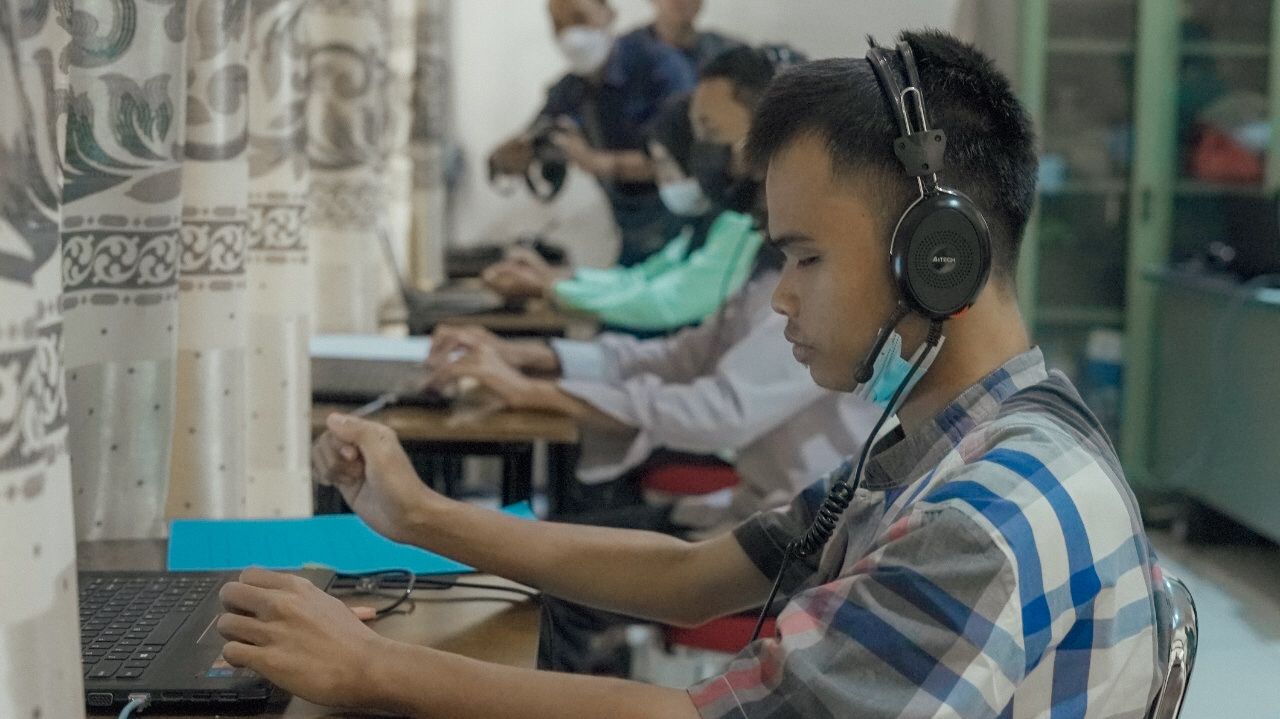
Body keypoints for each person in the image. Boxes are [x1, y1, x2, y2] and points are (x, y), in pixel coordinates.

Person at [219, 30, 1161, 717]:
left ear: (938, 257)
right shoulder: (962, 441)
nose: (781, 296)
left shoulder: (983, 516)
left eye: (806, 257)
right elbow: (693, 574)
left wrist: (372, 668)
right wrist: (419, 514)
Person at [482, 64, 770, 333]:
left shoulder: (740, 224)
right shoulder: (703, 223)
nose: (662, 180)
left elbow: (666, 301)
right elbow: (641, 278)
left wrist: (551, 287)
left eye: (712, 131)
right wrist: (557, 278)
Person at [489, 0, 714, 266]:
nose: (570, 34)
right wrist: (513, 156)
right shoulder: (571, 90)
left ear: (608, 14)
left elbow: (686, 157)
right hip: (630, 233)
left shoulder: (660, 67)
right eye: (559, 25)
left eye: (579, 19)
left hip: (687, 228)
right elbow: (529, 140)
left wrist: (596, 162)